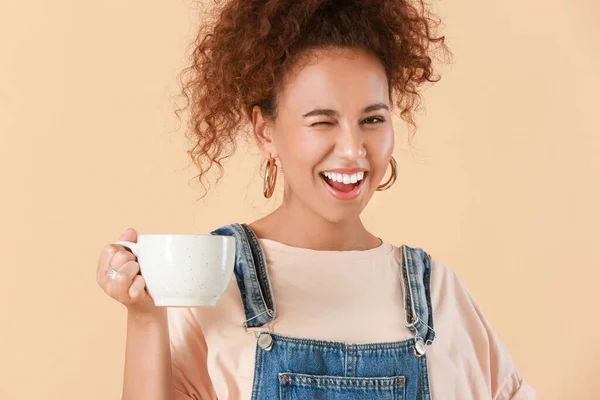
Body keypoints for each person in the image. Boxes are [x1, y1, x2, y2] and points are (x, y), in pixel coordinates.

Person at [96, 1, 536, 399]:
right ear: (265, 130)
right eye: (322, 122)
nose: (352, 149)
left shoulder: (435, 292)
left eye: (373, 119)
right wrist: (145, 317)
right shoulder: (215, 279)